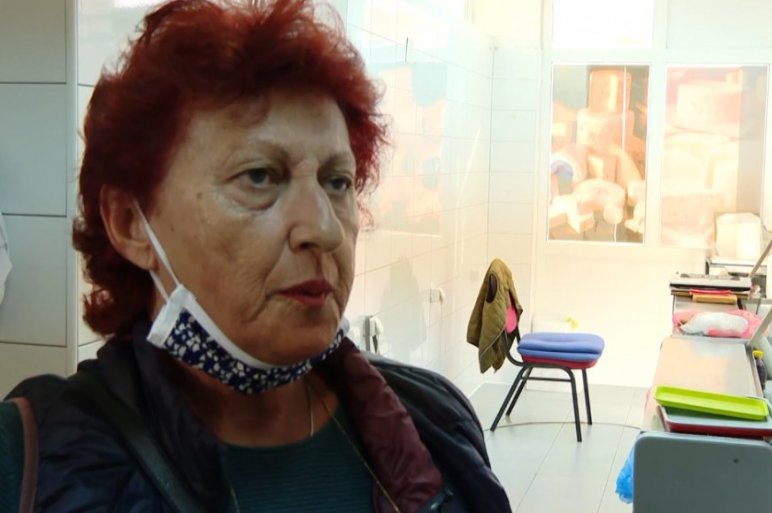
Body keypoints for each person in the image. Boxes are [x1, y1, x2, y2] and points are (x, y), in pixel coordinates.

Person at [2, 1, 510, 511]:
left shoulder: (437, 425)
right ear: (131, 224)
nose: (324, 229)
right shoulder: (31, 464)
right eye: (260, 176)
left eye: (337, 182)